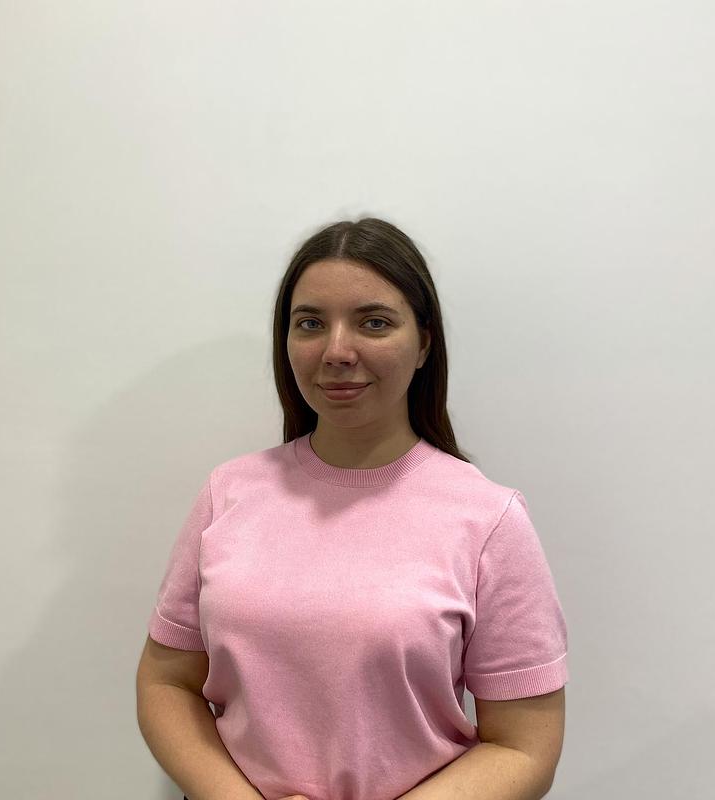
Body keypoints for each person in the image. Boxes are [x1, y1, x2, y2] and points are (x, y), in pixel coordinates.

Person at [136, 217, 568, 800]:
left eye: (374, 322)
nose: (337, 351)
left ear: (425, 343)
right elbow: (167, 682)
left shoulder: (489, 519)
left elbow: (524, 748)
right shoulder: (228, 492)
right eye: (311, 323)